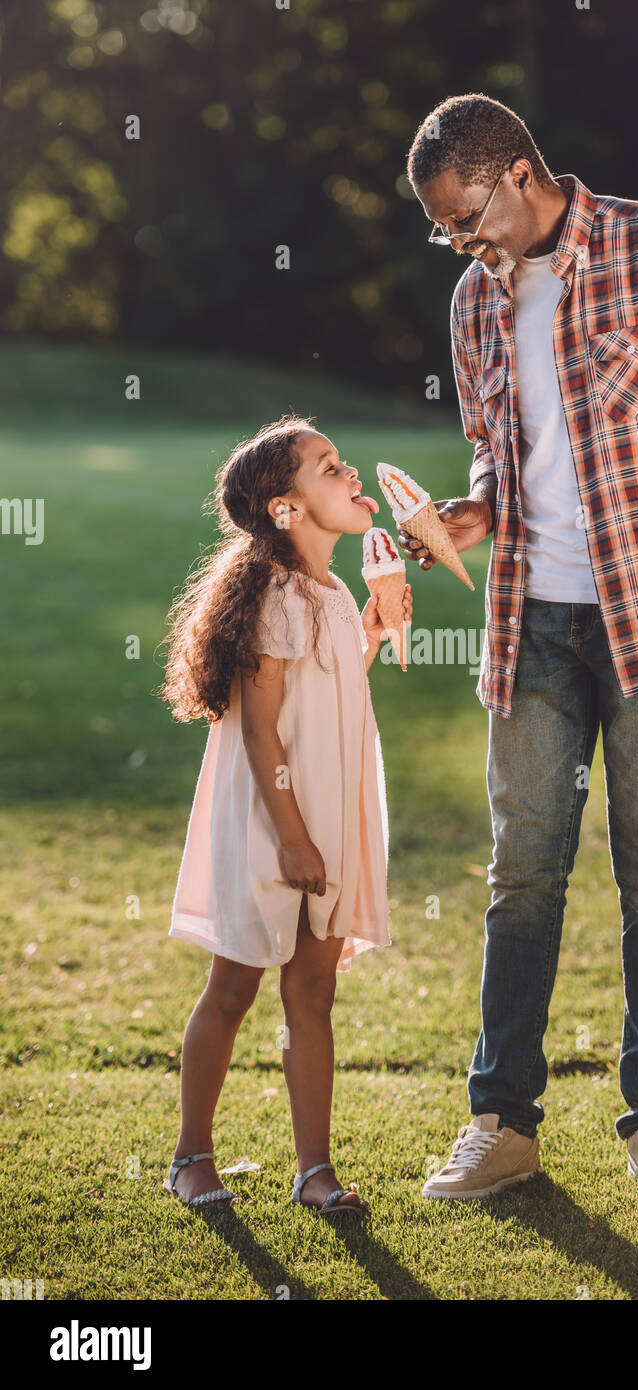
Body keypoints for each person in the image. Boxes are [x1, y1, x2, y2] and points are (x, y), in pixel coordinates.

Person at [402, 94, 638, 1204]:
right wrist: (465, 516)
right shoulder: (474, 302)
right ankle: (502, 1121)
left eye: (466, 217)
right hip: (531, 627)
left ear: (515, 171)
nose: (462, 245)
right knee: (522, 875)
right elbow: (503, 469)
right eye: (447, 232)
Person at [158, 416, 410, 1215]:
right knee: (232, 986)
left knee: (312, 990)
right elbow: (264, 728)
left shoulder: (331, 591)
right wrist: (293, 836)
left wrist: (369, 628)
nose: (350, 474)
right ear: (285, 508)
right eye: (328, 468)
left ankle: (314, 1171)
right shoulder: (273, 594)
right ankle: (191, 1155)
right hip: (273, 818)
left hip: (327, 812)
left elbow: (328, 690)